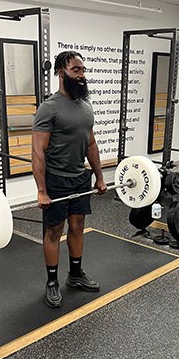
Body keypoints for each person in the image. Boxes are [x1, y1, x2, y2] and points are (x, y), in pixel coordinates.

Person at [32, 51, 107, 308]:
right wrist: (42, 190)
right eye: (76, 70)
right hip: (56, 179)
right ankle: (52, 282)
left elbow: (91, 143)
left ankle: (75, 275)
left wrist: (98, 176)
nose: (82, 75)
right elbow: (38, 151)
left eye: (83, 70)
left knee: (77, 226)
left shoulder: (86, 106)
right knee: (54, 231)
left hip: (79, 178)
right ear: (61, 72)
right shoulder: (49, 107)